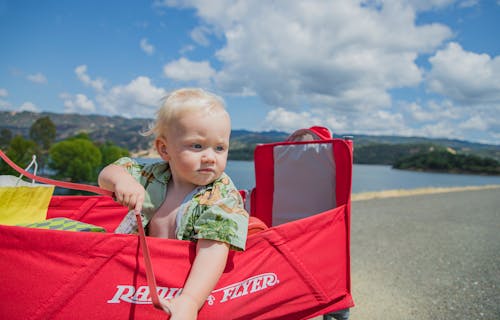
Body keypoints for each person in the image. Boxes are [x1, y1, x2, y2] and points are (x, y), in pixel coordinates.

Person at [98, 88, 249, 320]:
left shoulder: (221, 195)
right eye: (197, 146)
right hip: (138, 277)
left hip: (185, 285)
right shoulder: (152, 176)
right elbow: (108, 173)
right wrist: (122, 181)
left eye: (220, 148)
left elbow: (213, 249)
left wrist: (190, 301)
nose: (210, 156)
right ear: (164, 149)